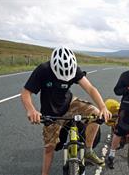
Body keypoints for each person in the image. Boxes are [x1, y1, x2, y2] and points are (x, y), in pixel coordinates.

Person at [20, 46, 111, 175]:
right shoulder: (43, 70)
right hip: (50, 113)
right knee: (49, 149)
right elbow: (25, 93)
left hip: (70, 104)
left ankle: (89, 150)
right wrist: (31, 110)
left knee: (96, 113)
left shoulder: (73, 68)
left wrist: (103, 107)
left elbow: (90, 88)